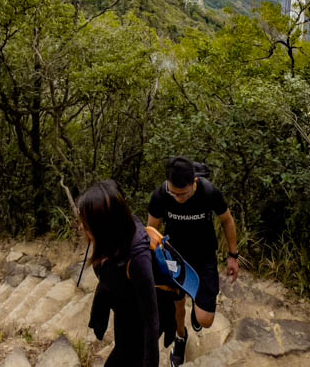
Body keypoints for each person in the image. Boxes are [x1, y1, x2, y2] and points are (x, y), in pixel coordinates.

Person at [147, 157, 239, 367]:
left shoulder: (208, 192)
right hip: (174, 257)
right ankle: (180, 337)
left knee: (205, 320)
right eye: (174, 193)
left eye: (183, 194)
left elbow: (227, 220)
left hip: (204, 256)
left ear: (194, 182)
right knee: (177, 306)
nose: (178, 198)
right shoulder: (161, 195)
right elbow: (151, 231)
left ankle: (197, 309)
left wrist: (233, 256)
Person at [80, 180, 160, 367]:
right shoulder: (111, 240)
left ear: (102, 224)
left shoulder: (138, 259)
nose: (81, 227)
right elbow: (108, 275)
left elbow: (152, 322)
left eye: (86, 222)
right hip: (123, 312)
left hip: (140, 326)